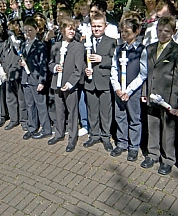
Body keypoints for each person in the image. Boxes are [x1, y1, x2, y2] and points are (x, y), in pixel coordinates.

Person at [141, 16, 178, 175]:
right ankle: (153, 153)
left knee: (168, 129)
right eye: (160, 30)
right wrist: (144, 92)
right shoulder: (150, 48)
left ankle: (168, 159)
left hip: (167, 97)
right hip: (151, 94)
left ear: (174, 32)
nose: (162, 34)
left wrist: (173, 102)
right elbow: (147, 73)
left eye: (167, 31)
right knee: (152, 125)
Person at [110, 18, 147, 161]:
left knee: (134, 119)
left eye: (127, 31)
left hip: (133, 90)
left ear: (136, 31)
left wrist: (129, 90)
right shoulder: (119, 49)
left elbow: (143, 73)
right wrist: (117, 88)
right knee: (120, 117)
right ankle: (122, 142)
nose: (123, 34)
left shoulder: (141, 50)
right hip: (119, 90)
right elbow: (114, 69)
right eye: (122, 31)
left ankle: (133, 146)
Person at [48, 18, 85, 152]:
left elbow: (78, 69)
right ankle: (58, 133)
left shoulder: (78, 46)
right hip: (56, 84)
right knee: (59, 110)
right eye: (69, 28)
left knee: (72, 112)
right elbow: (50, 63)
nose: (71, 31)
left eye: (73, 29)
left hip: (70, 85)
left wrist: (70, 84)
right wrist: (55, 67)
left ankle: (72, 138)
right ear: (63, 30)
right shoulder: (56, 46)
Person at [82, 12, 117, 152]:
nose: (96, 29)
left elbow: (115, 61)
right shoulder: (86, 41)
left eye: (99, 26)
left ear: (105, 26)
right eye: (94, 26)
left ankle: (106, 136)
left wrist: (102, 59)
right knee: (92, 110)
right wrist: (85, 69)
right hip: (90, 82)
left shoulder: (111, 42)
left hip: (104, 82)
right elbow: (80, 61)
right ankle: (94, 134)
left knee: (105, 111)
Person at [20, 18, 51, 140]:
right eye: (25, 30)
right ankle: (32, 128)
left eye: (30, 30)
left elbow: (43, 64)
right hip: (25, 79)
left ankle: (46, 129)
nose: (28, 33)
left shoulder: (41, 45)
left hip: (36, 79)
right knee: (29, 104)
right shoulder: (23, 45)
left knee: (41, 105)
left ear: (36, 30)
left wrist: (42, 81)